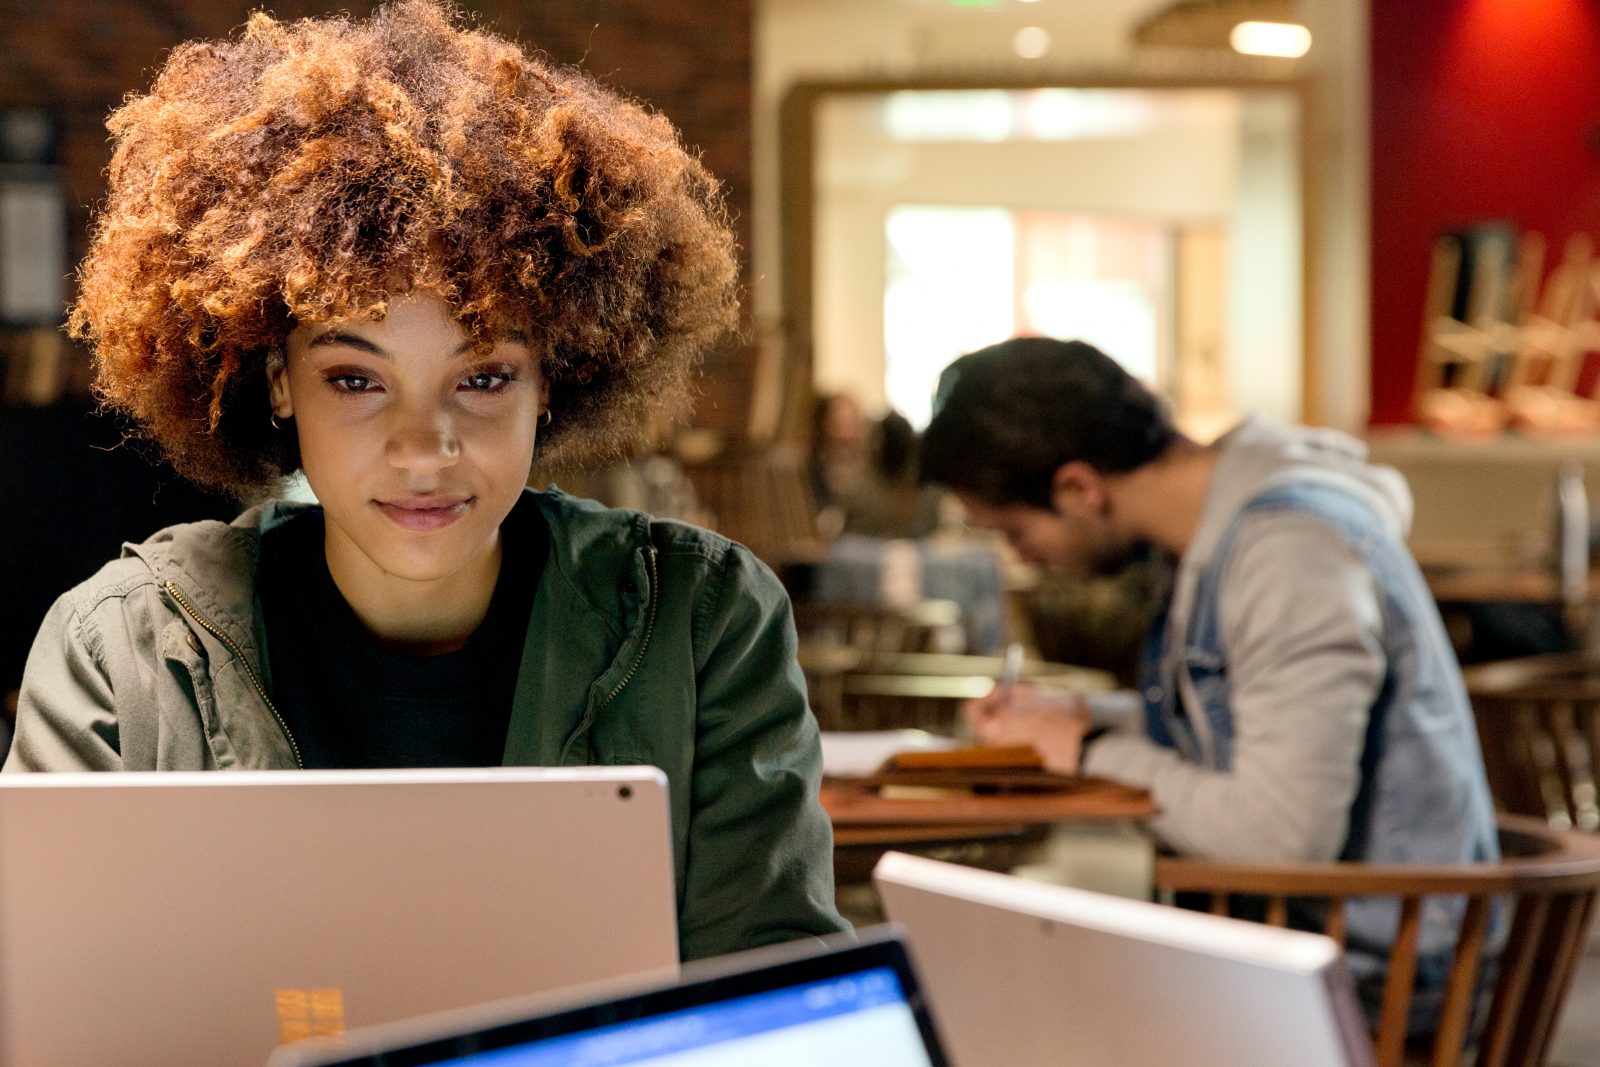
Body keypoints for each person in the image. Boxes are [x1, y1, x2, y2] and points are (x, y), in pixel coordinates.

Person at [7, 0, 847, 962]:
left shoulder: (700, 624)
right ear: (279, 381)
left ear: (553, 379)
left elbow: (774, 991)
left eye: (483, 377)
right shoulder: (120, 649)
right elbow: (59, 1004)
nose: (422, 447)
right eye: (355, 379)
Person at [919, 336, 1498, 1024]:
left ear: (1078, 486)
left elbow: (1282, 835)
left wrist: (1088, 749)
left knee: (1001, 1012)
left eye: (1014, 530)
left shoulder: (1288, 555)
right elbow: (1238, 721)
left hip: (1380, 983)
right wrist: (1075, 715)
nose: (1026, 558)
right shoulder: (1214, 537)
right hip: (1294, 947)